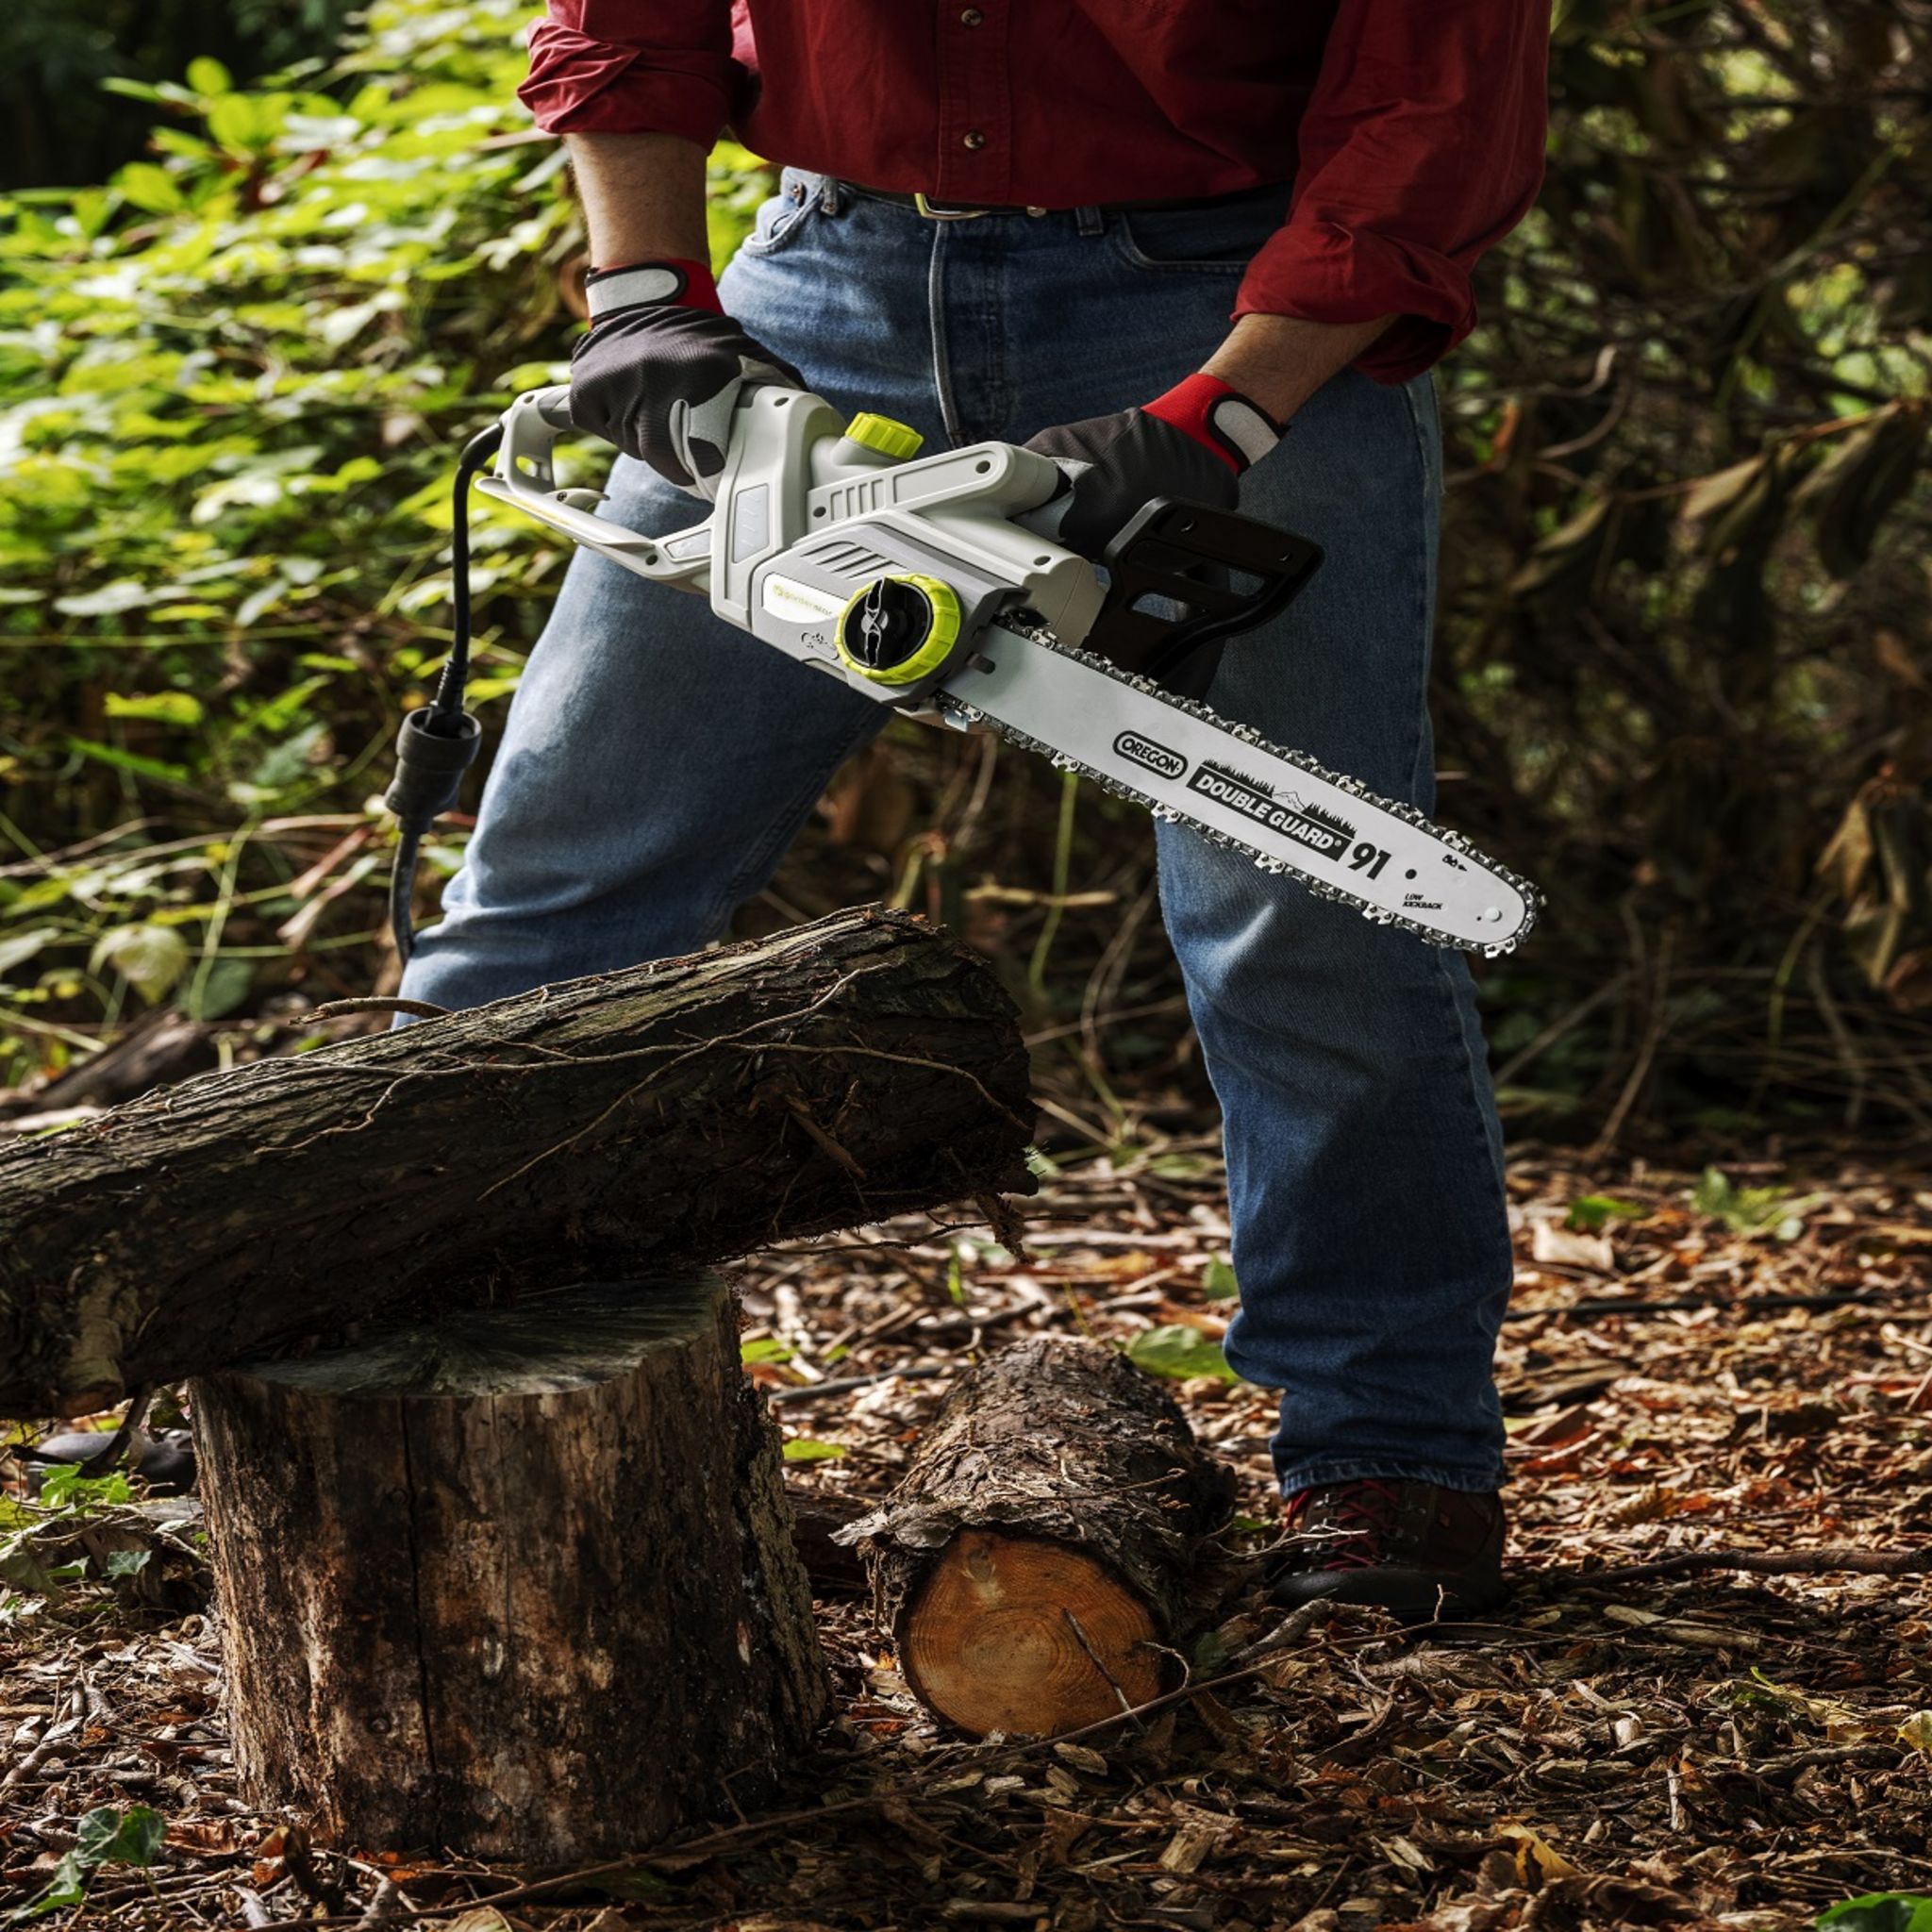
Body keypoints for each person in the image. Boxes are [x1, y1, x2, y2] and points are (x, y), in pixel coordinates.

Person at [404, 1, 1552, 1617]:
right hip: (826, 274)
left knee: (1312, 910)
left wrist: (1222, 414)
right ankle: (377, 1330)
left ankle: (1389, 1456)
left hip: (1233, 302)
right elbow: (625, 18)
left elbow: (1429, 111)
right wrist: (645, 297)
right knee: (564, 872)